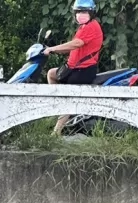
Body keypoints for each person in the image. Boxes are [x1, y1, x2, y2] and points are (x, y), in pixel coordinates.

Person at [44, 0, 104, 135]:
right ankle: (61, 109)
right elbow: (71, 46)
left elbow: (76, 44)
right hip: (73, 68)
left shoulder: (91, 27)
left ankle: (56, 131)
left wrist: (53, 49)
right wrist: (52, 49)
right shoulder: (84, 27)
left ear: (91, 13)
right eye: (78, 12)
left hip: (83, 70)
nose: (80, 15)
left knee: (67, 96)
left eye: (84, 12)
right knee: (52, 74)